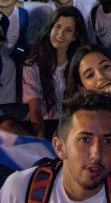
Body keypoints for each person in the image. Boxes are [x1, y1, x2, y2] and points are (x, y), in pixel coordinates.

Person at [22, 7, 88, 137]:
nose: (60, 34)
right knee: (7, 126)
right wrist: (41, 138)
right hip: (42, 123)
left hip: (74, 124)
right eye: (57, 27)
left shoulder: (82, 63)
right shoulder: (33, 64)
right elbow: (35, 110)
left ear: (75, 36)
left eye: (68, 30)